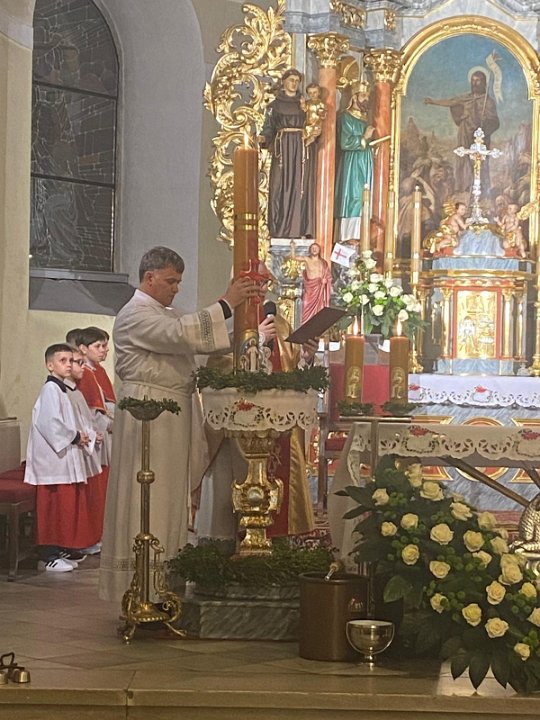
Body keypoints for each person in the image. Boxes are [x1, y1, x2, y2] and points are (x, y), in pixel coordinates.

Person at [98, 246, 256, 601]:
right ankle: (141, 588)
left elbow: (200, 343)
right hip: (148, 413)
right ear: (149, 277)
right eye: (171, 281)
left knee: (170, 498)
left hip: (170, 413)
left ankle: (162, 586)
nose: (176, 288)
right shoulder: (134, 314)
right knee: (149, 496)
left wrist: (250, 333)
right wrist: (227, 303)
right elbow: (180, 334)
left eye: (178, 281)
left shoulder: (162, 313)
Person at [196, 304, 318, 542]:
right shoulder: (231, 319)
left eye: (263, 285)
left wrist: (306, 357)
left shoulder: (280, 324)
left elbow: (292, 369)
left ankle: (278, 542)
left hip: (279, 422)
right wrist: (256, 340)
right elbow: (217, 367)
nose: (260, 289)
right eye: (255, 285)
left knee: (281, 476)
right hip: (239, 424)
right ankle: (236, 542)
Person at [24, 344, 95, 572]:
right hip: (52, 463)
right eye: (62, 361)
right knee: (51, 508)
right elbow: (49, 422)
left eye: (70, 360)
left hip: (62, 458)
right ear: (50, 365)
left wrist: (81, 435)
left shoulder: (61, 390)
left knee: (62, 509)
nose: (68, 365)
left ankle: (59, 549)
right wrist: (75, 436)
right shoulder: (50, 390)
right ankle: (48, 556)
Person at [260, 68, 317, 239]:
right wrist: (263, 138)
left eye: (297, 81)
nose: (294, 83)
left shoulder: (305, 105)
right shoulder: (274, 106)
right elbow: (268, 128)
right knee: (279, 186)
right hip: (282, 149)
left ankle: (299, 228)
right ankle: (278, 228)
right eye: (291, 80)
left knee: (300, 186)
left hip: (301, 148)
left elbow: (314, 122)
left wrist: (315, 132)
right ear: (283, 81)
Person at [424, 70, 500, 193]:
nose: (475, 83)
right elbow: (451, 102)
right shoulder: (466, 98)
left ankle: (481, 188)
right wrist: (433, 101)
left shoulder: (488, 102)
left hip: (480, 137)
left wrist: (484, 126)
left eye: (478, 80)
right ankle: (463, 186)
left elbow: (495, 122)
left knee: (479, 161)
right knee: (463, 158)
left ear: (483, 83)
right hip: (465, 132)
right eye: (473, 80)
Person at [334, 80, 375, 243]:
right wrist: (364, 137)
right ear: (354, 97)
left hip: (365, 161)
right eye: (363, 95)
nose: (366, 99)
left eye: (368, 96)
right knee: (354, 197)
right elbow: (345, 142)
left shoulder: (364, 119)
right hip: (353, 164)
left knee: (365, 198)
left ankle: (362, 240)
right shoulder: (345, 117)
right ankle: (349, 238)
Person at [301, 242, 332, 323]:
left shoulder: (323, 263)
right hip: (310, 288)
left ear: (319, 250)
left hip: (320, 288)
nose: (314, 250)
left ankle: (318, 324)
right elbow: (293, 257)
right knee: (306, 305)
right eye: (313, 248)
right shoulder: (307, 259)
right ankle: (306, 324)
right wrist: (293, 247)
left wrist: (326, 280)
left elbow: (328, 276)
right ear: (310, 250)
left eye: (316, 248)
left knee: (320, 308)